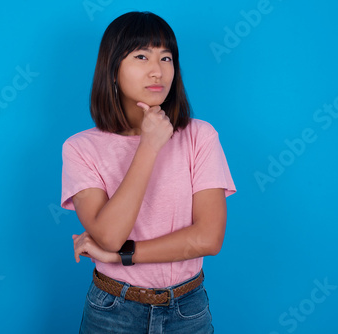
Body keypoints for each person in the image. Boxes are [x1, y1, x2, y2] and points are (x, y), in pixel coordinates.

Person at [61, 11, 236, 334]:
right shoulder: (80, 148)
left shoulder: (201, 136)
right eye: (141, 56)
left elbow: (208, 238)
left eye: (166, 57)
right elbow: (109, 236)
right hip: (112, 310)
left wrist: (122, 257)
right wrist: (149, 145)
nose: (157, 71)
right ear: (112, 70)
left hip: (188, 309)